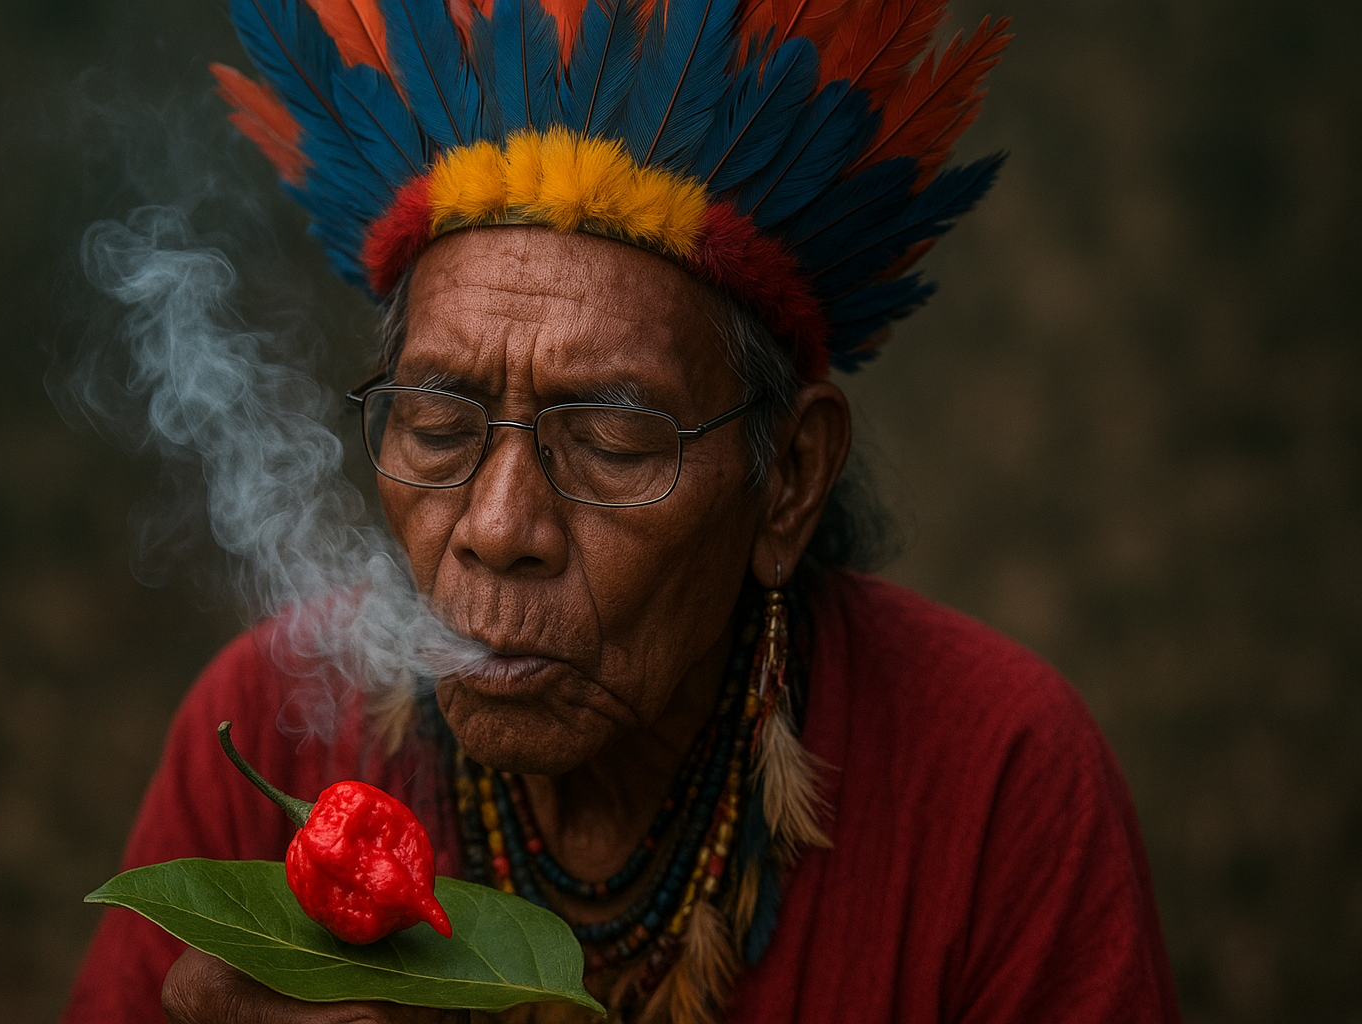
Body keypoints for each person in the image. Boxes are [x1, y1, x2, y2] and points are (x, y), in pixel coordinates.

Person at [62, 0, 1182, 1021]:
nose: (498, 527)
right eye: (439, 426)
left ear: (787, 479)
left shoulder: (996, 779)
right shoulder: (261, 731)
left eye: (609, 441)